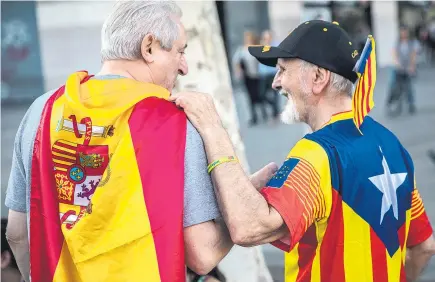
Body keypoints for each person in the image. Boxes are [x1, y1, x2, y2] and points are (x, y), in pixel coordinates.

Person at [4, 1, 273, 281]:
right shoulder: (176, 124)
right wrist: (244, 202)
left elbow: (18, 234)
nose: (184, 67)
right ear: (149, 47)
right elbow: (202, 253)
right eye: (180, 51)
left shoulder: (42, 110)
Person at [171, 20, 435, 281]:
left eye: (283, 70)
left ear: (318, 78)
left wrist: (213, 128)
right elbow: (424, 246)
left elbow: (249, 227)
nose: (275, 83)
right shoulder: (391, 143)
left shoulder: (318, 153)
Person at [233, 31, 268, 126]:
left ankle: (264, 112)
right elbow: (236, 61)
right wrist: (238, 71)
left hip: (259, 75)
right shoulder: (241, 50)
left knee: (260, 95)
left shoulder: (257, 48)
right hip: (248, 77)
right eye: (246, 38)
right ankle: (254, 116)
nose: (247, 39)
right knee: (250, 97)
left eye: (248, 37)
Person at [386, 26, 418, 116]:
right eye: (402, 32)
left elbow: (413, 55)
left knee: (408, 86)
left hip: (408, 67)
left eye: (405, 32)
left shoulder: (412, 43)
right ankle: (393, 103)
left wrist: (412, 66)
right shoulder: (397, 43)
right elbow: (394, 53)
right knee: (394, 85)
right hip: (398, 68)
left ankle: (411, 103)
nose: (403, 34)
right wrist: (397, 63)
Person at [258, 30, 280, 123]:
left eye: (267, 37)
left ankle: (275, 113)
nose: (266, 39)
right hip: (263, 74)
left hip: (273, 73)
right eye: (264, 38)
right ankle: (274, 107)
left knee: (275, 93)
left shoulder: (275, 46)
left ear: (271, 37)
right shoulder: (261, 47)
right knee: (261, 94)